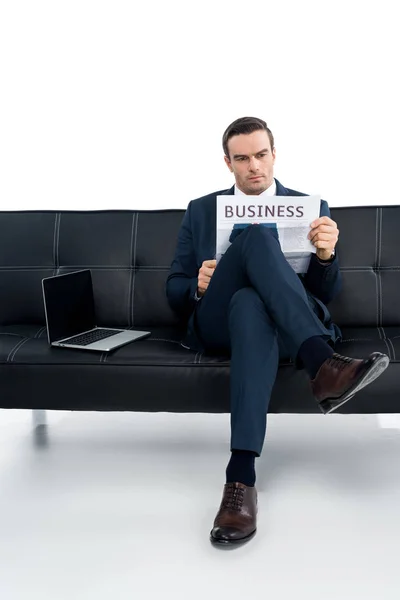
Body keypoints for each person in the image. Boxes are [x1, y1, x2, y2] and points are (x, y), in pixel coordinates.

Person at [165, 116, 389, 548]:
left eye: (262, 155)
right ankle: (321, 363)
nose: (254, 167)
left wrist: (325, 255)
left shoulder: (309, 206)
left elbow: (325, 292)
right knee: (251, 239)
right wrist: (196, 282)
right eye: (243, 158)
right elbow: (172, 291)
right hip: (216, 323)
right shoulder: (200, 209)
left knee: (251, 303)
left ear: (274, 154)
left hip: (280, 325)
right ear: (227, 162)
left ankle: (241, 478)